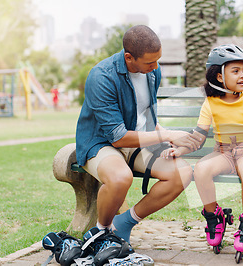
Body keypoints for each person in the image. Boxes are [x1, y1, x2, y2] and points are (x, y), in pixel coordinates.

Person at [75, 25, 201, 265]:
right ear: (128, 57)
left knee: (182, 173)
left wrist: (167, 134)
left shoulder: (153, 72)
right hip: (101, 142)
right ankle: (102, 233)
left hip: (137, 139)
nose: (155, 67)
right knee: (121, 177)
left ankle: (123, 224)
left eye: (157, 61)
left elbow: (147, 115)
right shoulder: (101, 76)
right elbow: (118, 137)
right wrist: (167, 134)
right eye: (149, 63)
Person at [162, 44, 243, 261]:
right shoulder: (211, 103)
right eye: (235, 71)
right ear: (219, 77)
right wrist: (180, 149)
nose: (242, 76)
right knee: (201, 169)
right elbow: (199, 137)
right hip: (223, 152)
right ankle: (214, 217)